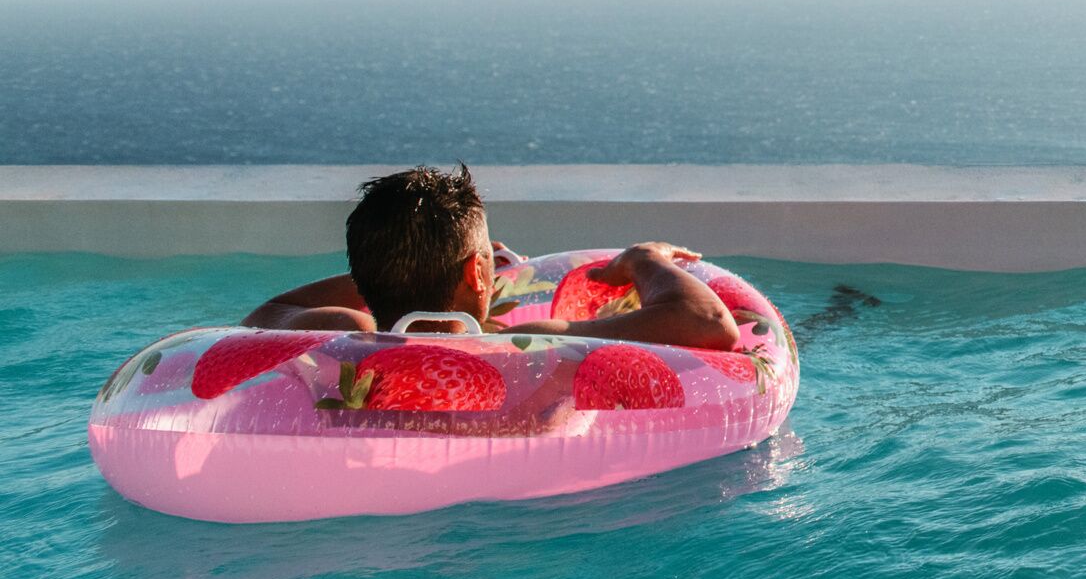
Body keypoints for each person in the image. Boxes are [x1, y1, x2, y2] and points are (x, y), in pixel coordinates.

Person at [242, 164, 739, 349]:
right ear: (477, 275)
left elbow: (269, 312)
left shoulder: (343, 334)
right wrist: (645, 259)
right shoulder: (526, 345)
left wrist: (397, 266)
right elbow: (709, 324)